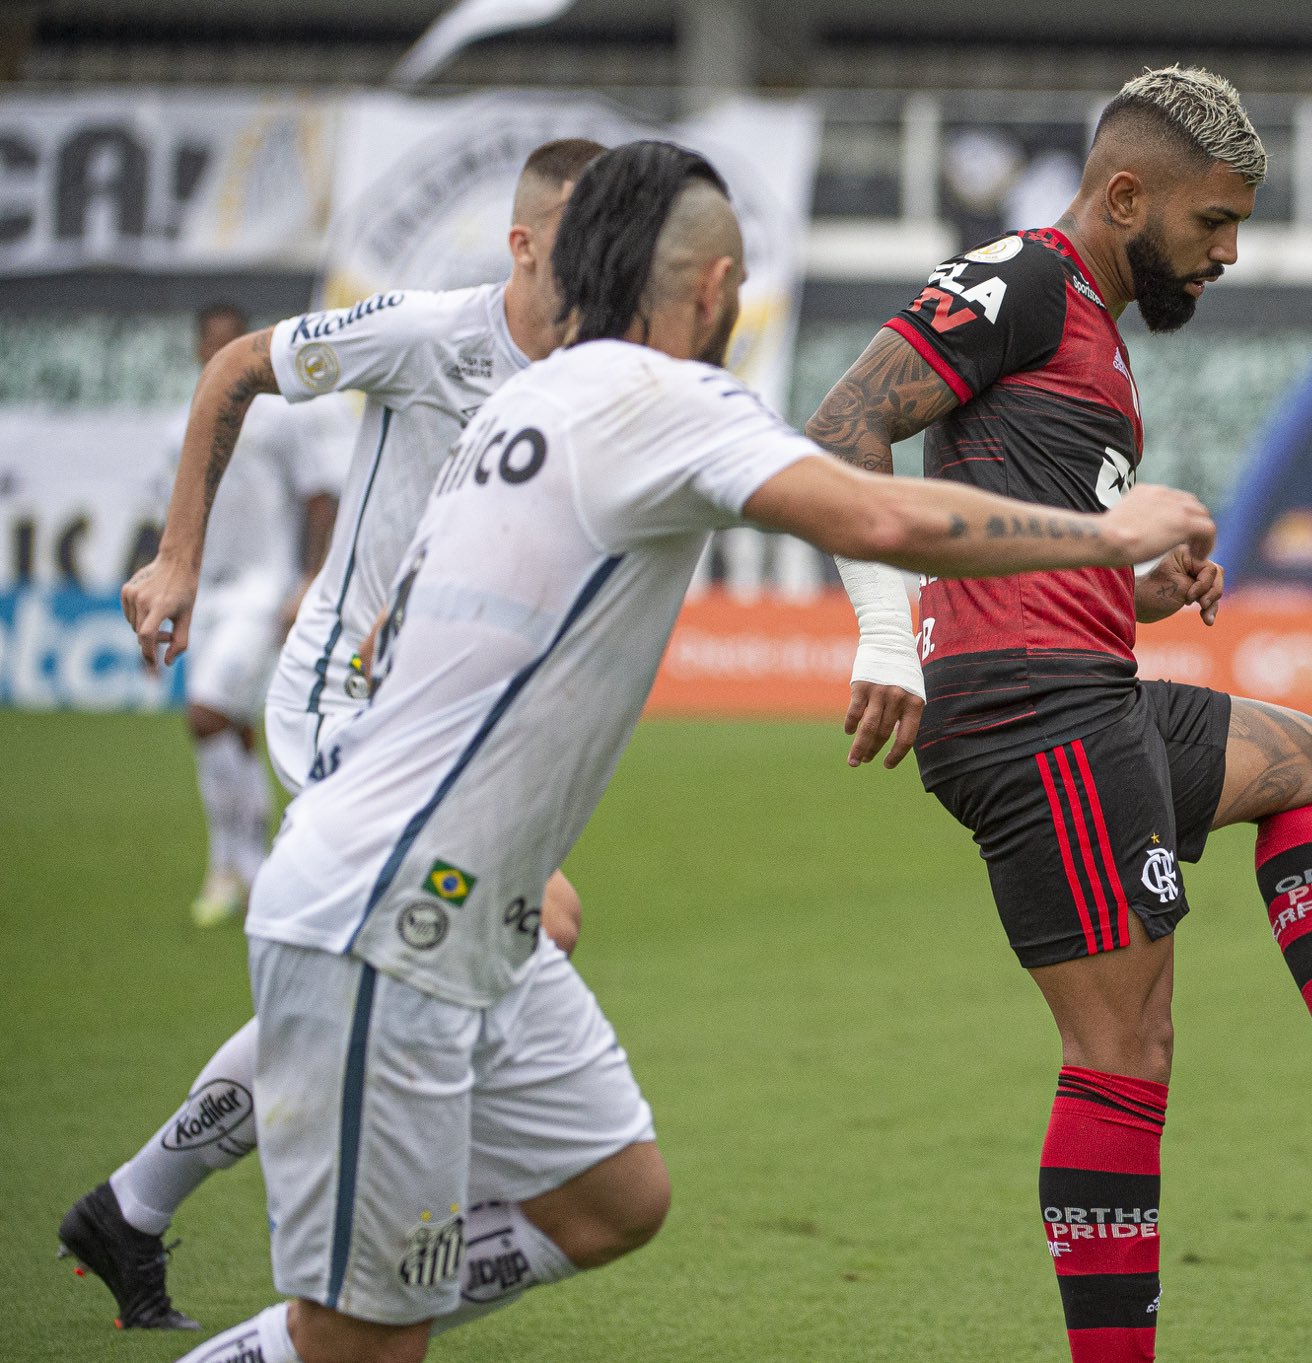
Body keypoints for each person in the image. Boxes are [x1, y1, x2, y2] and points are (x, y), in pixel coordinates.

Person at [133, 138, 1214, 1363]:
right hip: (388, 918)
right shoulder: (665, 403)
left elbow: (390, 634)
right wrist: (1100, 534)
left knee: (614, 1197)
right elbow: (869, 506)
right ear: (709, 294)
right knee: (366, 1340)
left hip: (445, 892)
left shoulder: (527, 400)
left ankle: (360, 1302)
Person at [805, 65, 1312, 1363]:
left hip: (1081, 684)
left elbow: (1029, 533)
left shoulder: (1090, 331)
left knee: (1310, 760)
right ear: (1124, 195)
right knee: (1124, 1047)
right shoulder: (1025, 278)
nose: (1223, 255)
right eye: (1212, 224)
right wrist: (888, 639)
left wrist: (1129, 581)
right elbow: (842, 431)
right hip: (1030, 709)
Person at [59, 138, 609, 1334]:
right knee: (530, 924)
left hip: (455, 724)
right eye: (584, 236)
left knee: (387, 967)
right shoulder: (427, 332)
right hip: (345, 703)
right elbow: (236, 371)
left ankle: (135, 1203)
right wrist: (180, 558)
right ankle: (388, 1250)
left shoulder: (600, 371)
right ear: (523, 245)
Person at [172, 302, 353, 928]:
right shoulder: (186, 422)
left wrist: (308, 580)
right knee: (229, 724)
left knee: (208, 712)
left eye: (232, 342)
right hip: (208, 591)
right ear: (199, 349)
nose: (220, 354)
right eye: (211, 343)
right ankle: (236, 860)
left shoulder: (278, 415)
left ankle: (244, 863)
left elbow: (320, 496)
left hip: (262, 587)